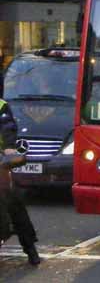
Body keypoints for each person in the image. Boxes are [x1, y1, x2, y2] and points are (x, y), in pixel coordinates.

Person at [0, 99, 41, 265]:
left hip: (0, 160)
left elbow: (7, 127)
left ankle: (29, 246)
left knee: (12, 201)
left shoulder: (1, 106)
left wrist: (9, 147)